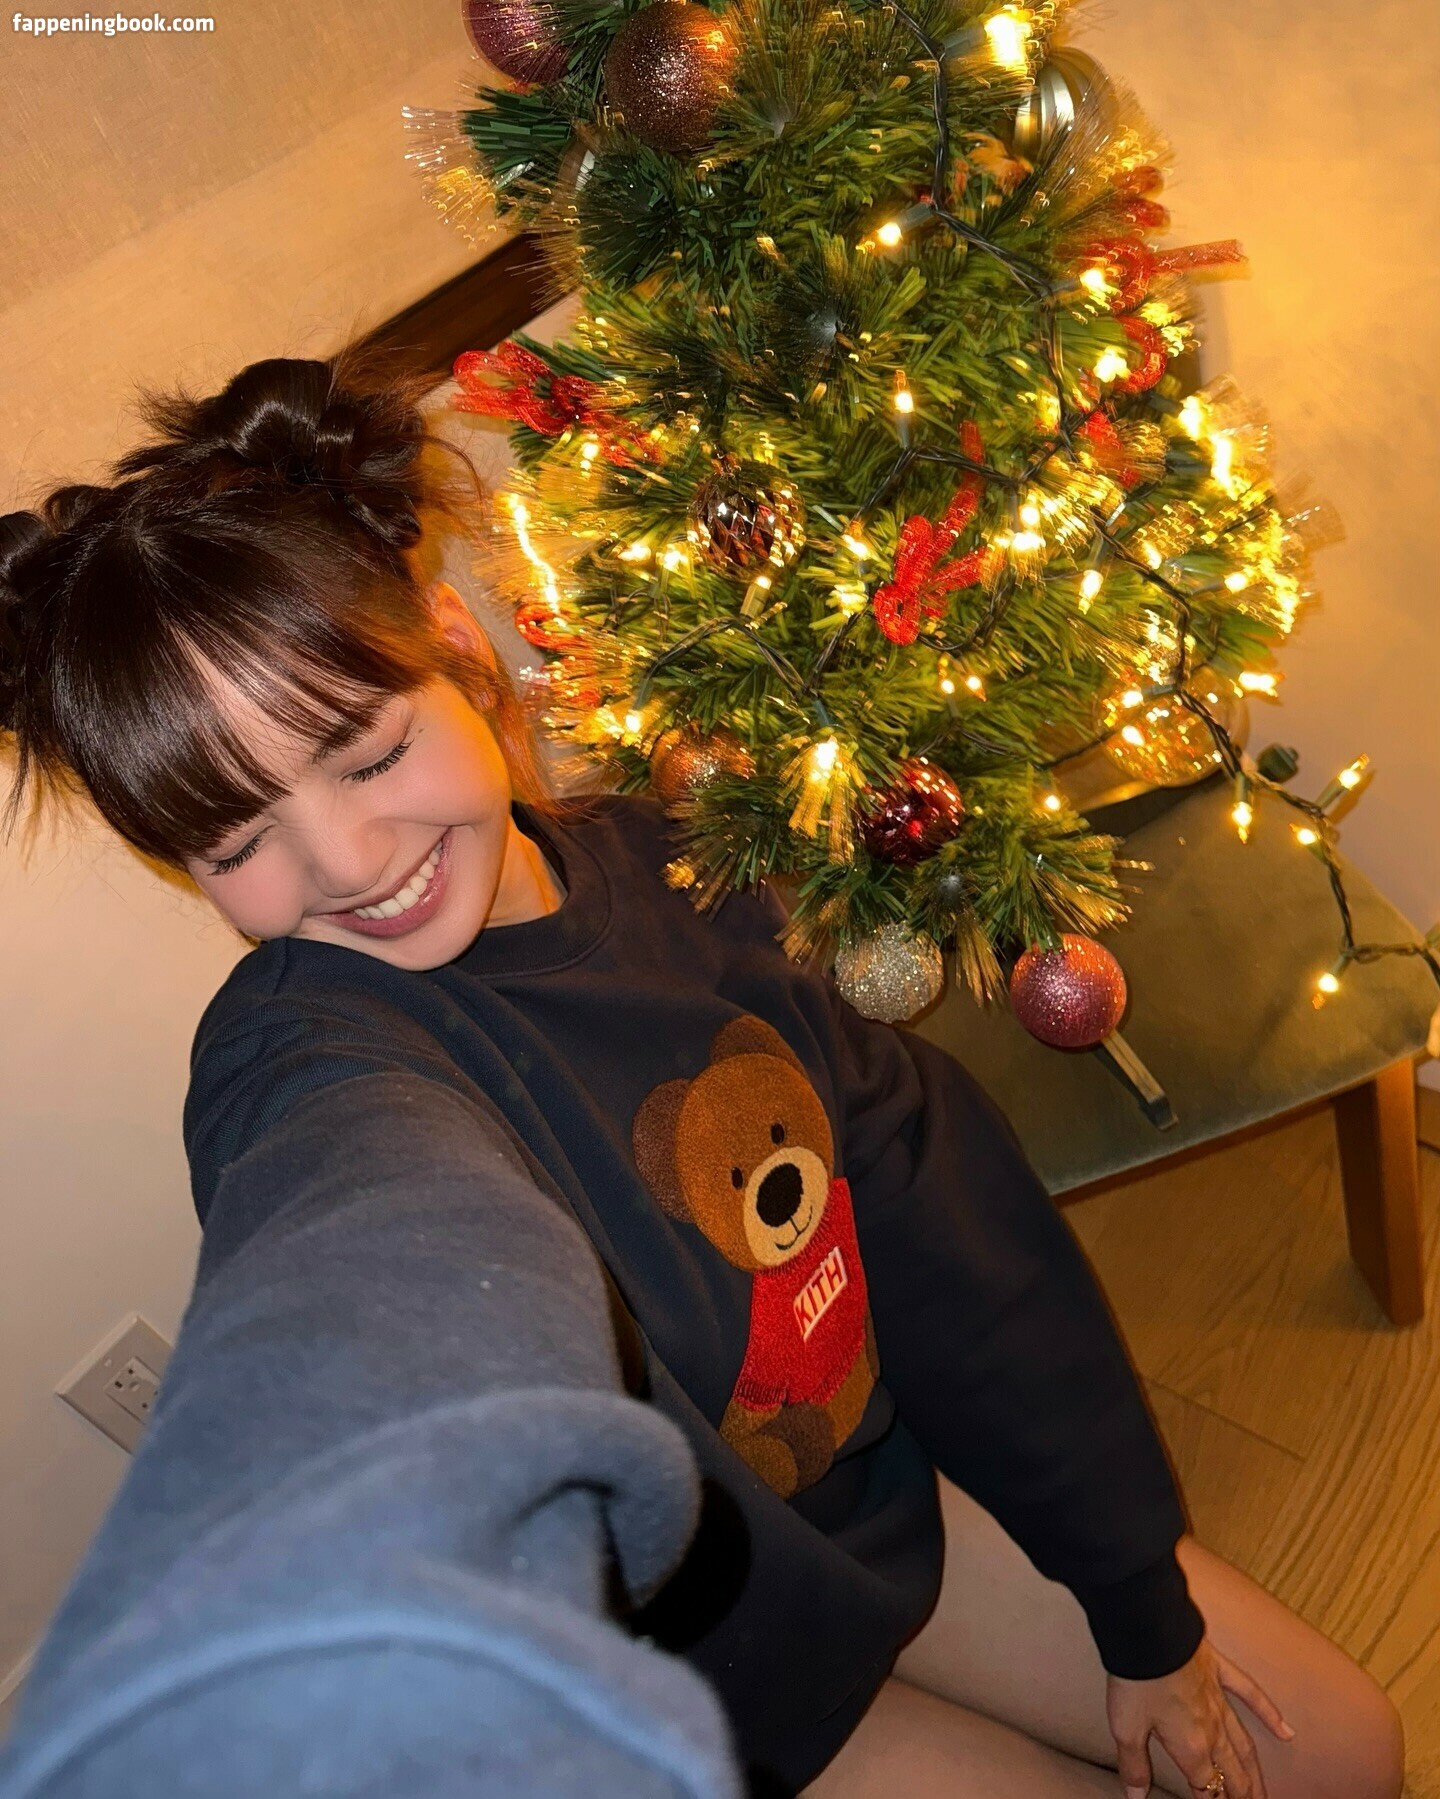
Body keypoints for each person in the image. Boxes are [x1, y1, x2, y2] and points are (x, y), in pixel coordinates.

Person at [0, 344, 1405, 1799]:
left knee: (1346, 1755)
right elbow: (360, 1225)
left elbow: (945, 1230)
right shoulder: (311, 1052)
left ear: (452, 644)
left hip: (876, 1492)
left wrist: (1135, 1603)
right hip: (711, 1671)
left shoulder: (680, 864)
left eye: (364, 755)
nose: (347, 864)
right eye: (236, 842)